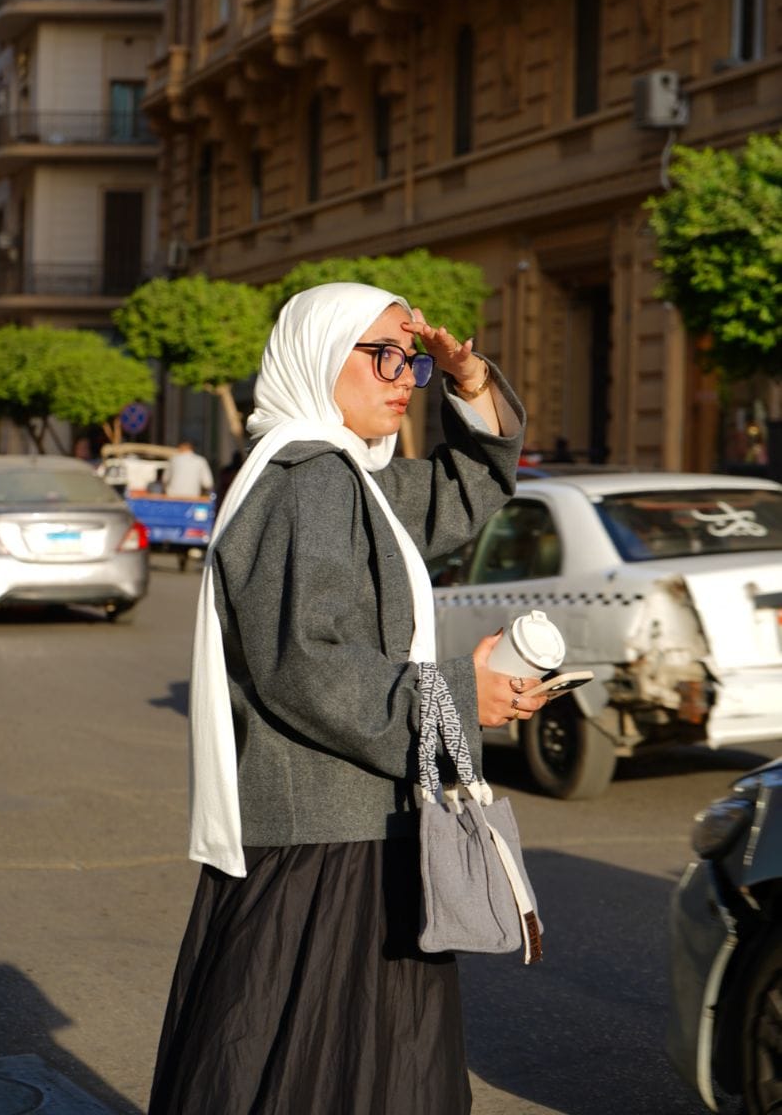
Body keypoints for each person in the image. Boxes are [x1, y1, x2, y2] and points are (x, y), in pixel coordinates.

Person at [147, 283, 546, 1115]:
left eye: (415, 360)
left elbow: (458, 493)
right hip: (328, 849)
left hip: (342, 833)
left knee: (323, 1072)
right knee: (326, 1074)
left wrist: (471, 387)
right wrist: (459, 697)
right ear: (319, 354)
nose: (405, 377)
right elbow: (305, 664)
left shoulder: (342, 478)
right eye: (384, 355)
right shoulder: (311, 480)